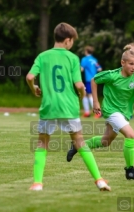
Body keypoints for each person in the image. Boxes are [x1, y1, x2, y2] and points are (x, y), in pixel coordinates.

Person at [26, 22, 110, 191]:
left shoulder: (43, 56)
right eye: (73, 41)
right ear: (68, 40)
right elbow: (79, 85)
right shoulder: (72, 58)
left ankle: (37, 183)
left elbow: (29, 77)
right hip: (69, 107)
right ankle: (99, 180)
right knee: (79, 141)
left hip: (49, 106)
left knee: (42, 143)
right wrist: (80, 95)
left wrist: (34, 88)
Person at [67, 44, 134, 181]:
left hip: (124, 114)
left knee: (106, 141)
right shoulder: (112, 75)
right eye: (131, 64)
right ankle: (130, 170)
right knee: (131, 135)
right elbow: (94, 80)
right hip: (111, 111)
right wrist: (95, 102)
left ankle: (78, 145)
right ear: (122, 63)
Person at [80, 45, 102, 118]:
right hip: (95, 79)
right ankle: (87, 112)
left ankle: (97, 113)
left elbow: (81, 69)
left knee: (88, 95)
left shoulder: (84, 59)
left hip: (89, 79)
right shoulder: (94, 59)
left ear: (86, 51)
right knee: (86, 94)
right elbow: (99, 69)